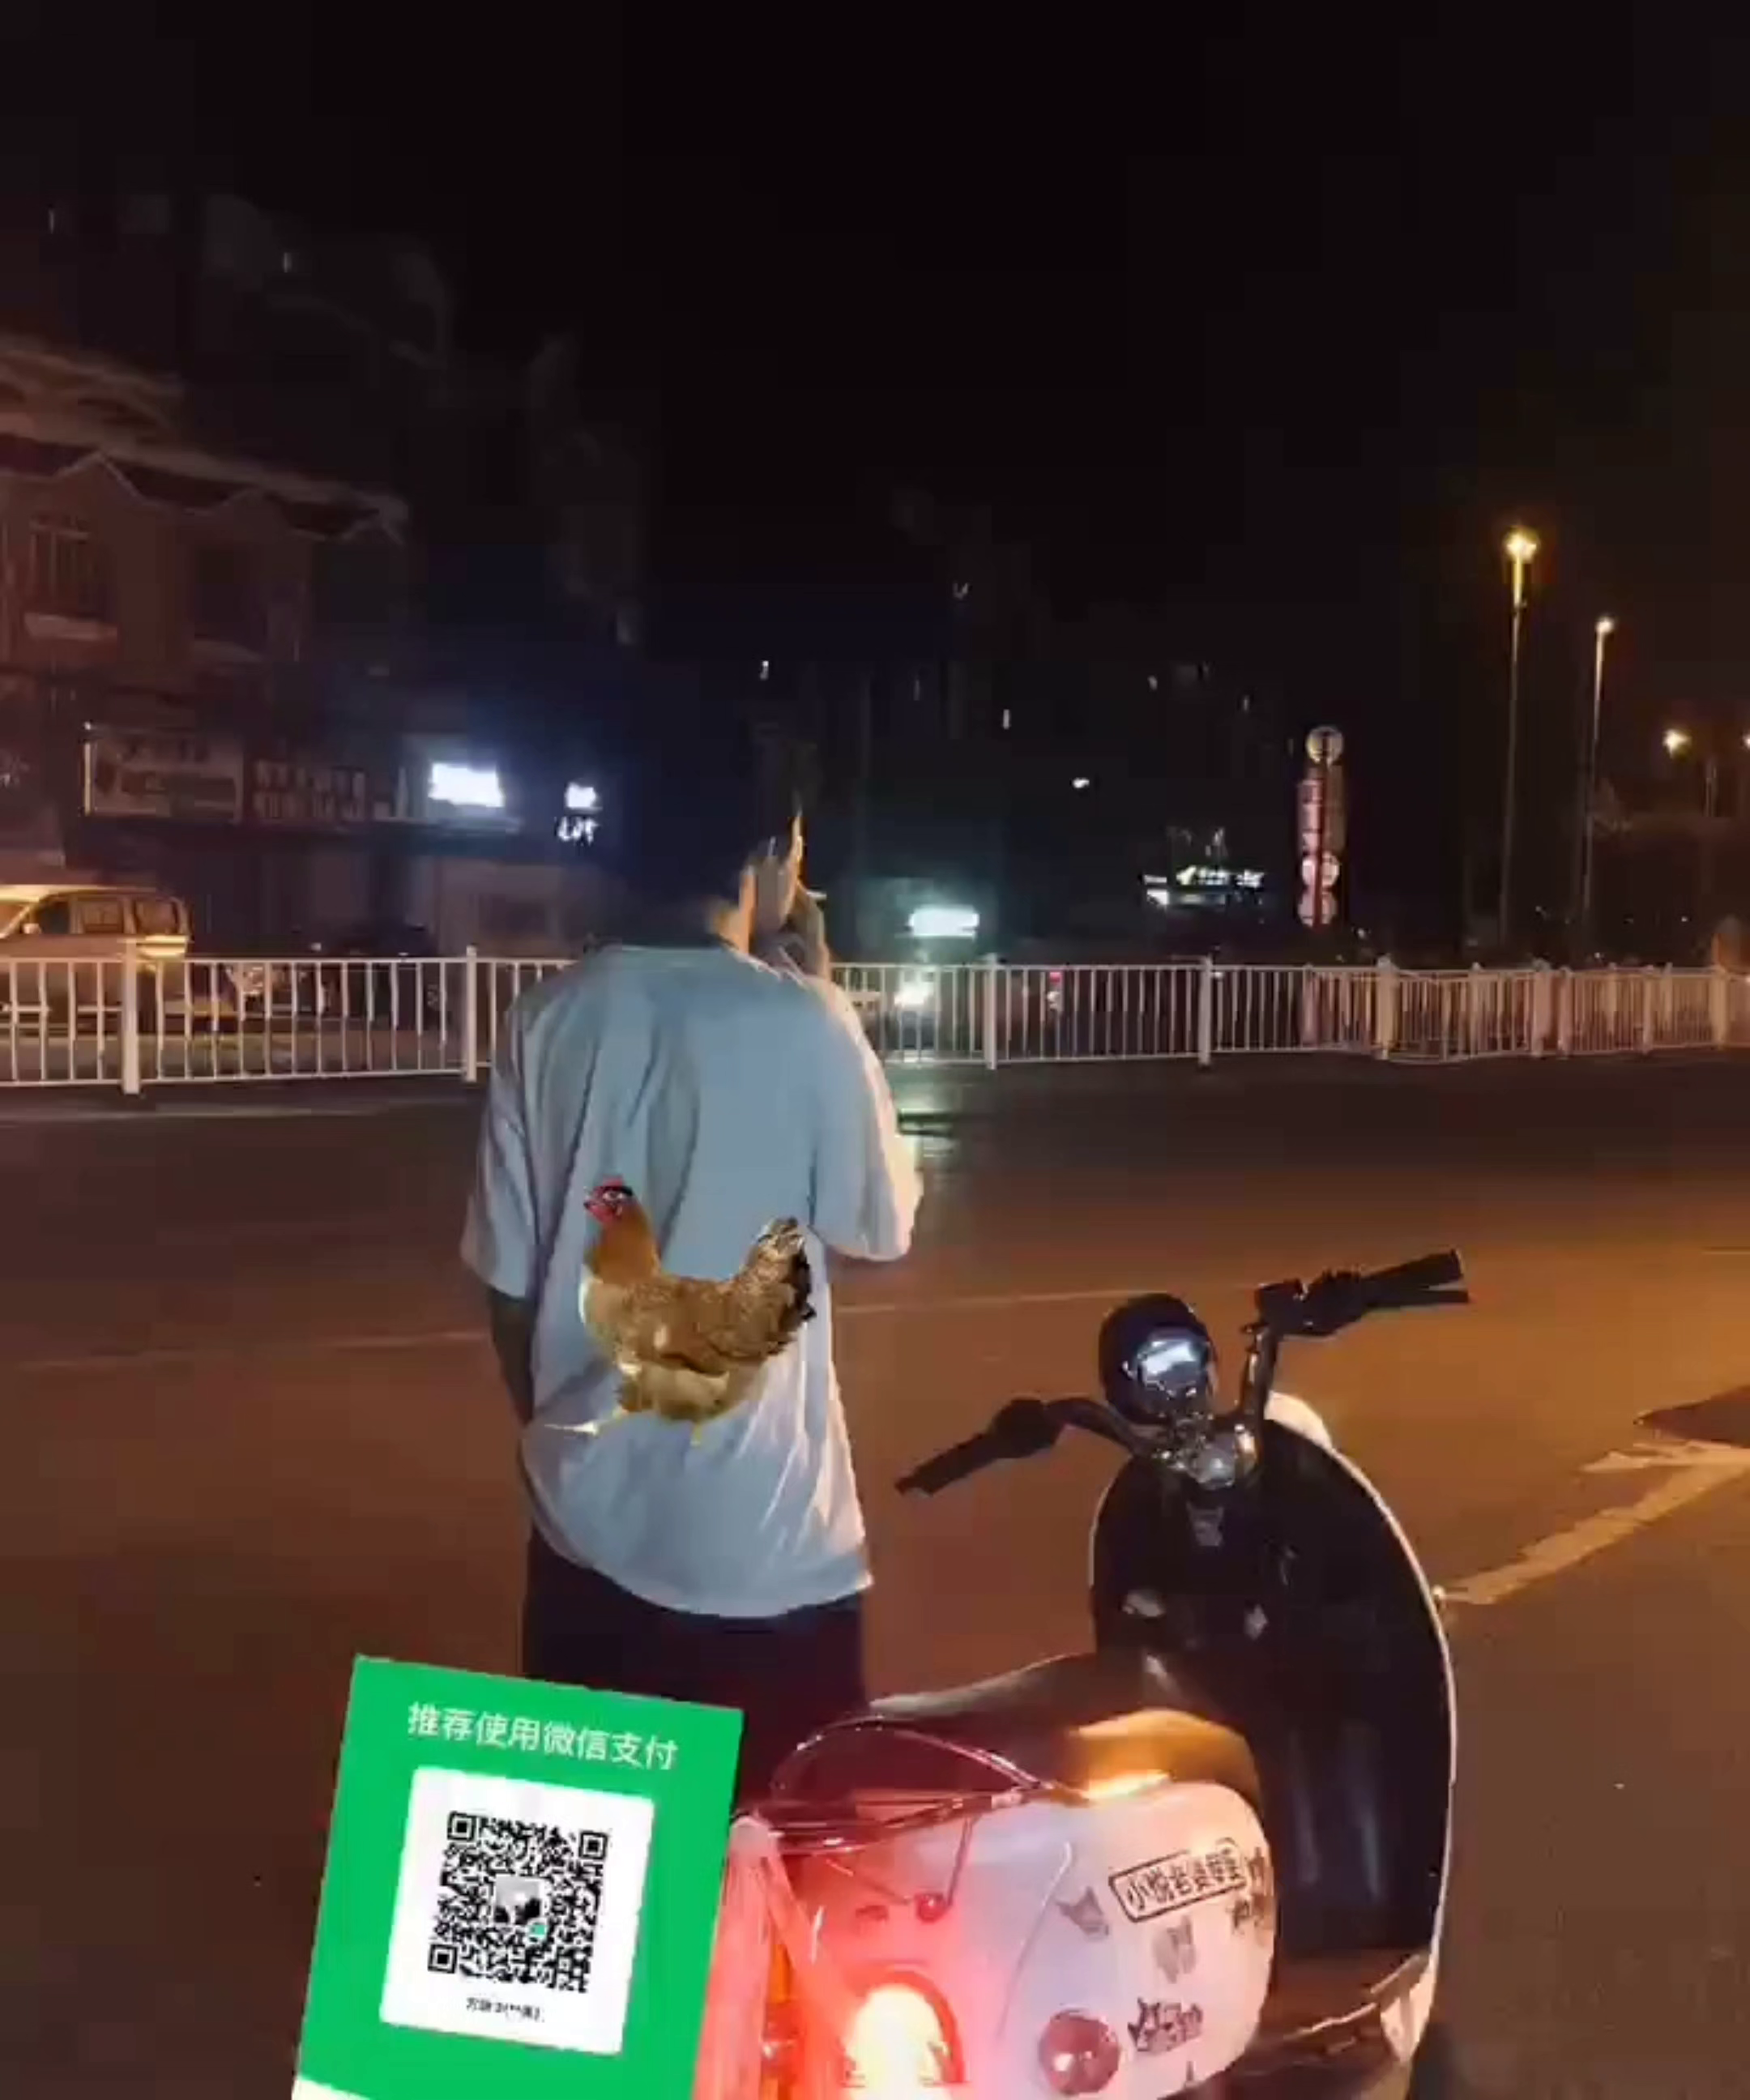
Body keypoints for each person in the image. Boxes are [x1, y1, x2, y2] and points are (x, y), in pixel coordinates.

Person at [461, 710, 920, 1798]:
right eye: (799, 847)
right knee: (771, 1873)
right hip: (764, 1557)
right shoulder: (807, 1023)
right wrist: (821, 985)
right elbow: (881, 1226)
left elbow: (508, 1286)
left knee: (592, 1871)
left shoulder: (547, 1020)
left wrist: (563, 1441)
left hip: (581, 1542)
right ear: (766, 855)